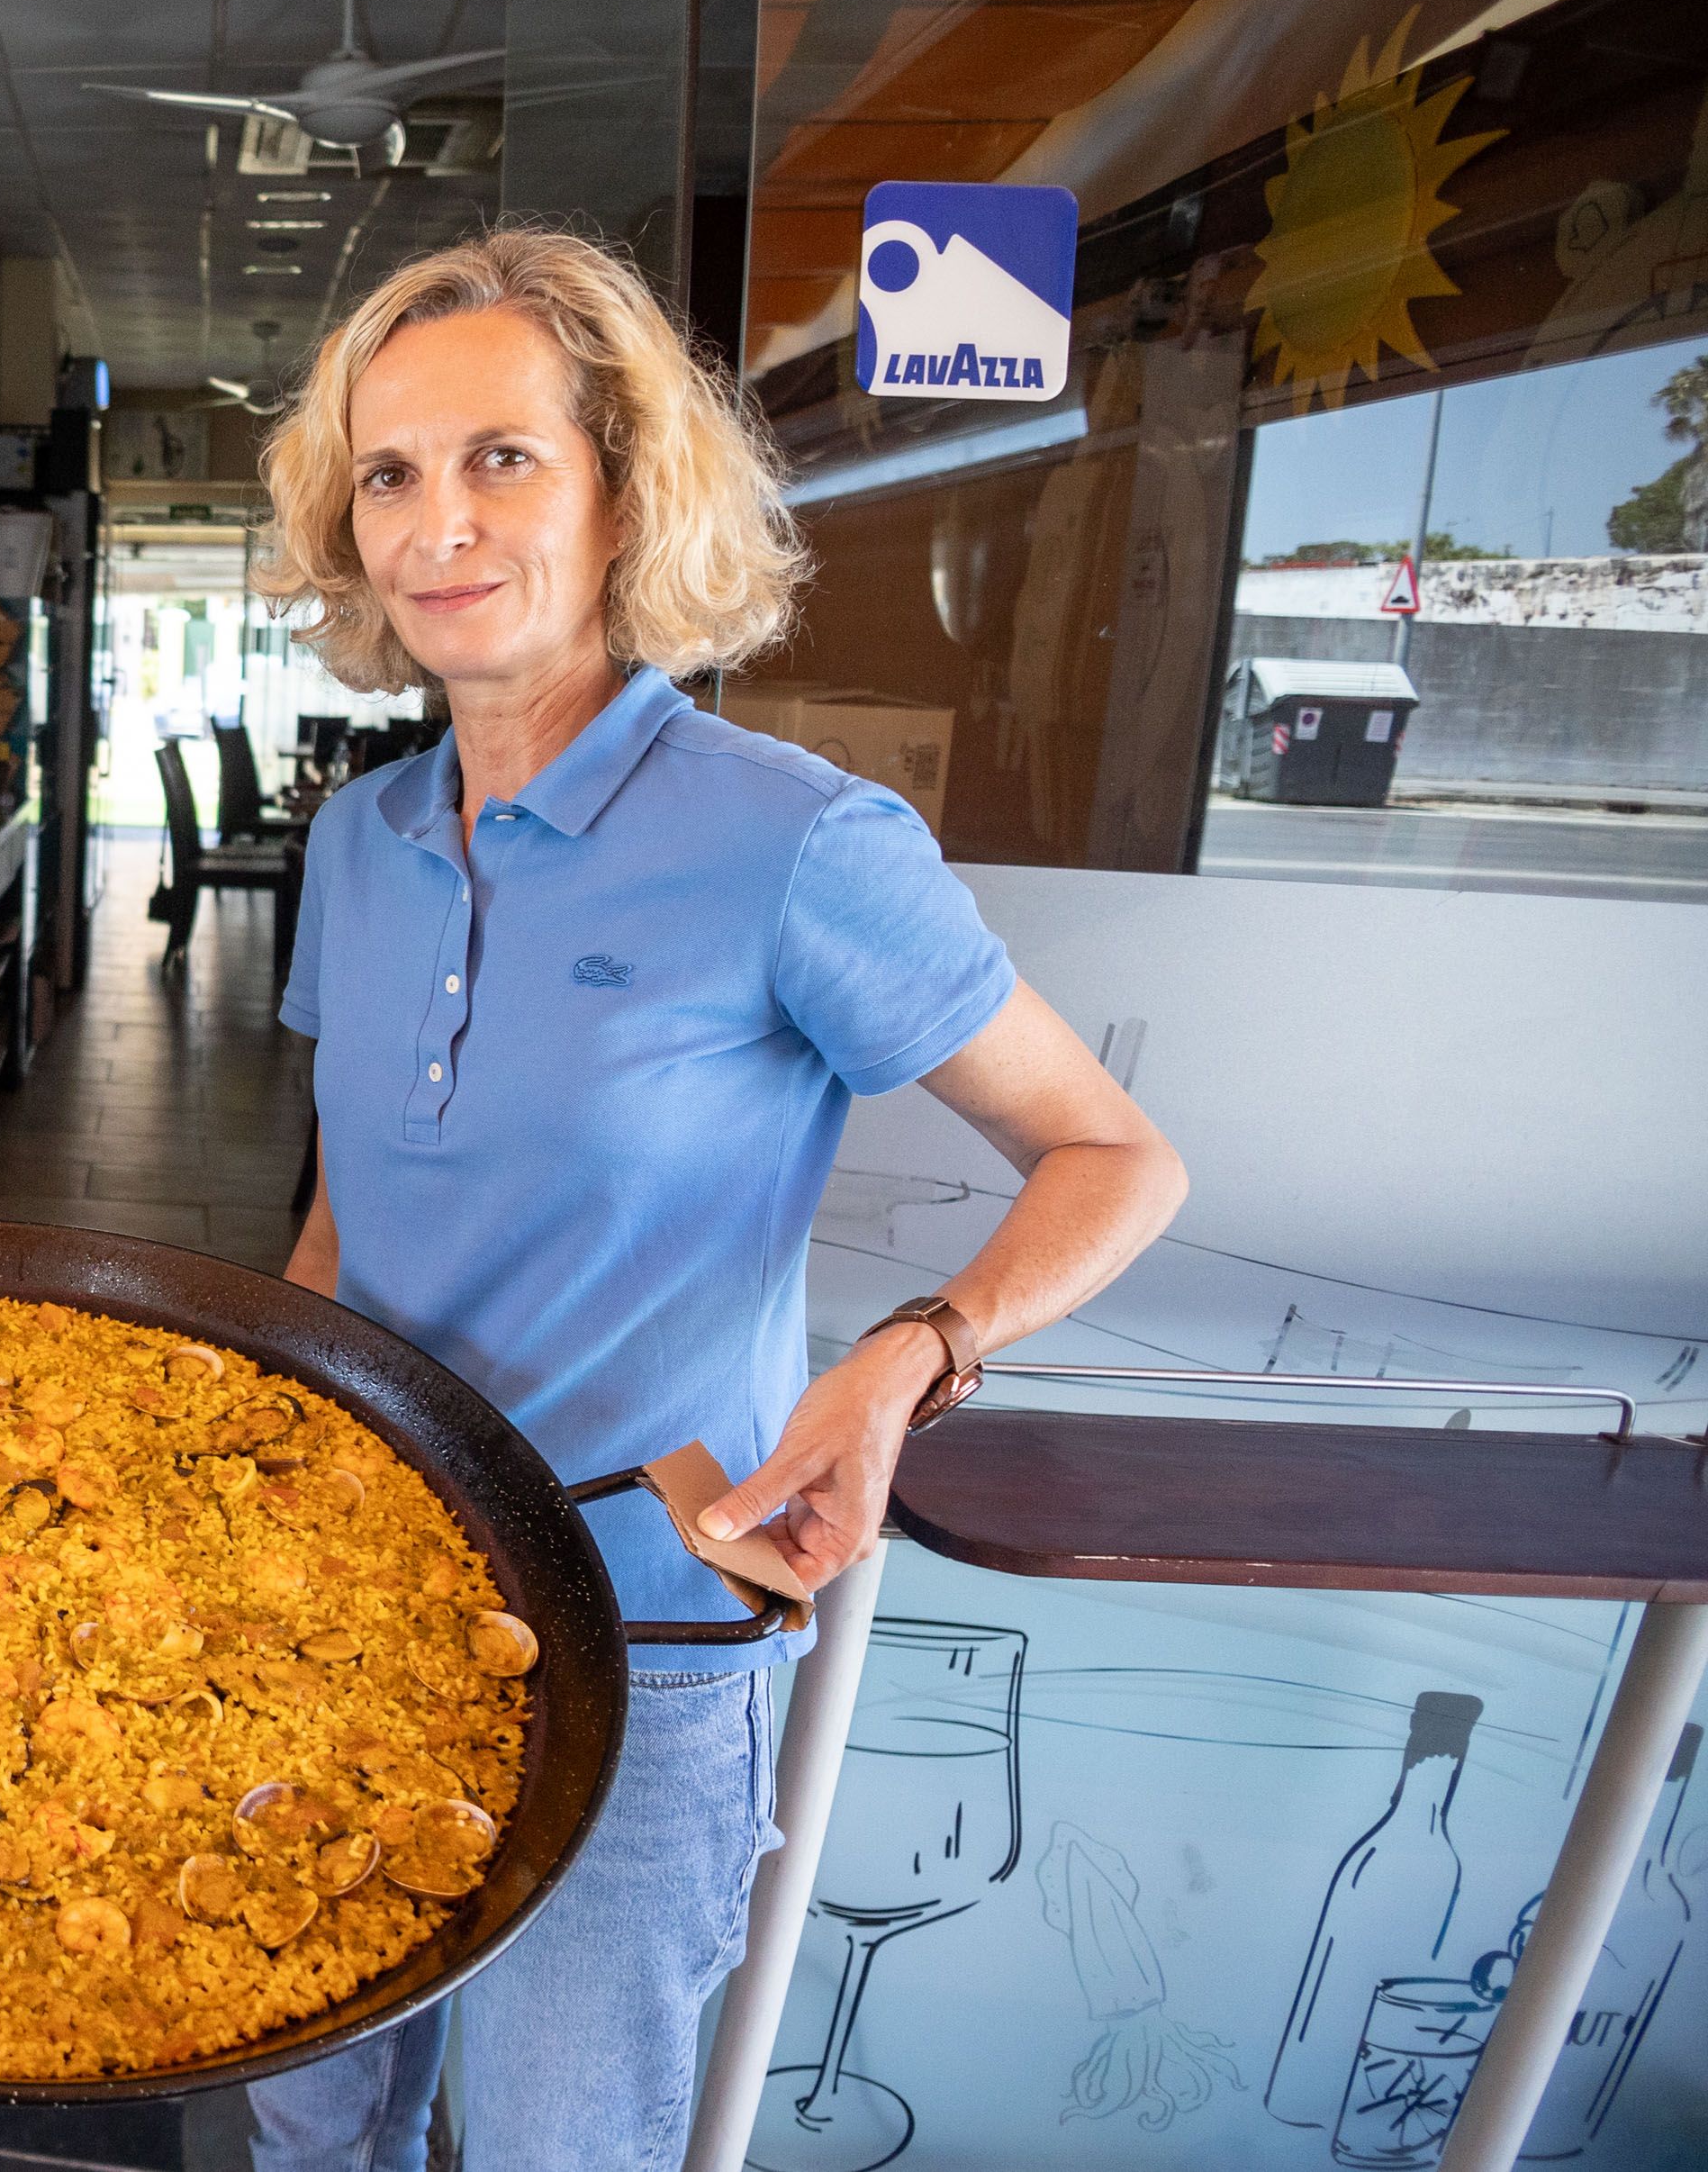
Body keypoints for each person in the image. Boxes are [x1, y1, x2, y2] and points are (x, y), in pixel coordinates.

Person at [243, 228, 1186, 2172]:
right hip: (338, 1618)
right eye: (390, 472)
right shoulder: (357, 840)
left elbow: (1114, 1156)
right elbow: (349, 1215)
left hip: (640, 1639)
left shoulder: (791, 843)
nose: (437, 521)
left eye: (499, 456)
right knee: (306, 2128)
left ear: (618, 483)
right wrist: (246, 1451)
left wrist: (906, 1356)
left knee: (548, 2149)